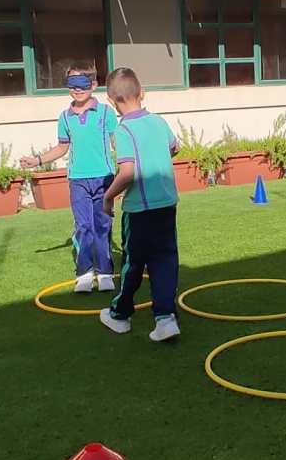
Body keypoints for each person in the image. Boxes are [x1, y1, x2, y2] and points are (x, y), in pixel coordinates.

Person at [99, 67, 181, 342]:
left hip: (139, 211)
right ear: (142, 93)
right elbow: (174, 148)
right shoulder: (158, 121)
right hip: (166, 205)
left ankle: (120, 315)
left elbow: (127, 173)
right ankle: (165, 318)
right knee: (165, 260)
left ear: (111, 101)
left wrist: (108, 197)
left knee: (133, 263)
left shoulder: (123, 130)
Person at [21, 62, 117, 293]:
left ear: (93, 85)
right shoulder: (65, 117)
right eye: (72, 84)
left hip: (104, 178)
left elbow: (117, 143)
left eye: (82, 83)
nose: (77, 89)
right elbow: (62, 147)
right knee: (83, 226)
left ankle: (105, 272)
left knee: (102, 225)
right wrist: (38, 160)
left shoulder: (106, 113)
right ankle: (84, 273)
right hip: (78, 180)